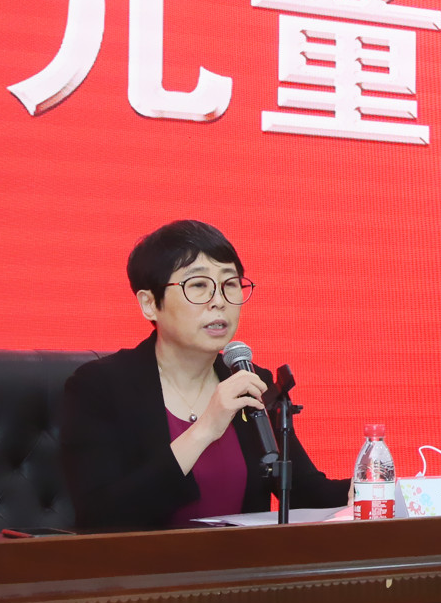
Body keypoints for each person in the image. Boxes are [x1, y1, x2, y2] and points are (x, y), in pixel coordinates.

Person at [61, 220, 346, 530]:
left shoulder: (251, 382)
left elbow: (307, 493)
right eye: (198, 285)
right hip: (144, 561)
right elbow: (100, 517)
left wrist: (378, 482)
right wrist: (206, 428)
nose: (219, 301)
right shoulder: (99, 387)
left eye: (230, 284)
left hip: (242, 560)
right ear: (150, 304)